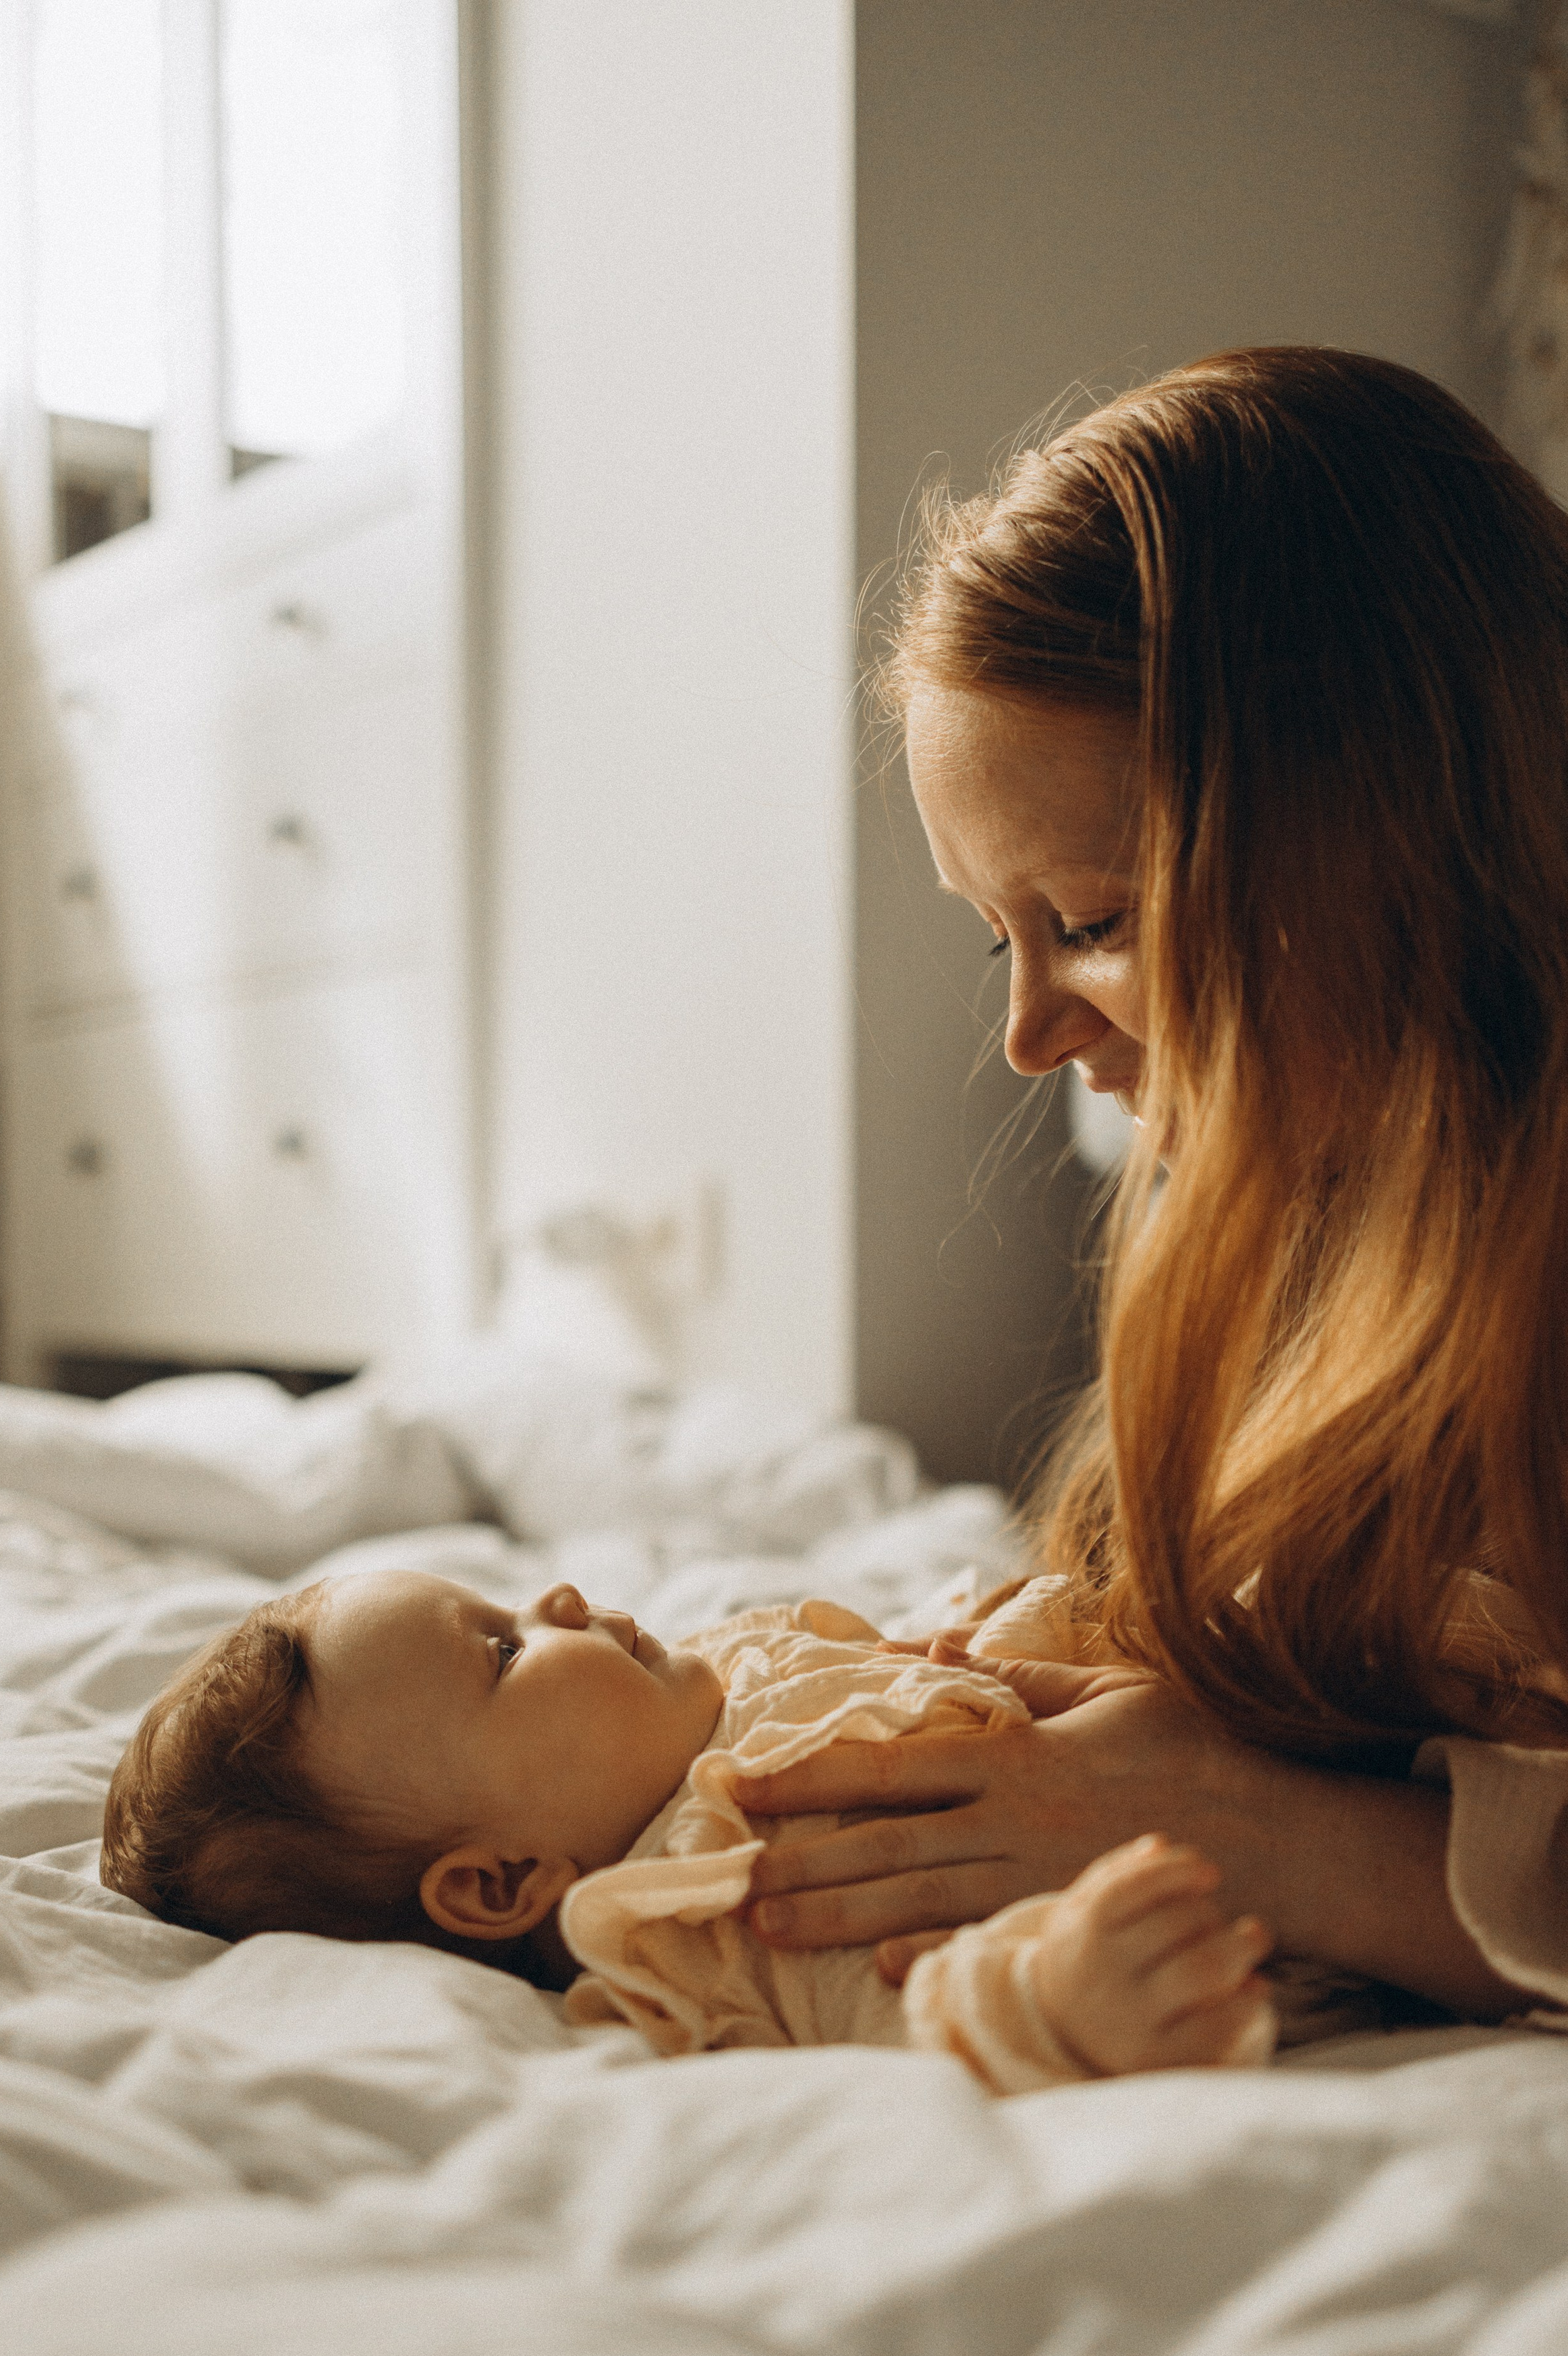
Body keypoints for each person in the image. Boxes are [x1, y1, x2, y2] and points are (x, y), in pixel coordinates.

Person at [737, 346, 1568, 2033]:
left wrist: (1248, 1827)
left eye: (1096, 921)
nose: (1031, 1033)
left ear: (1378, 829)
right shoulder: (1306, 1232)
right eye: (1001, 937)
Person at [101, 1571, 1314, 2092]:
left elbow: (910, 1674)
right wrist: (1056, 1996)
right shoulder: (716, 1903)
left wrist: (993, 1632)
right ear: (505, 1879)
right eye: (507, 1648)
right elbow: (900, 2011)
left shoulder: (709, 1686)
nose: (563, 1598)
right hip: (1275, 1842)